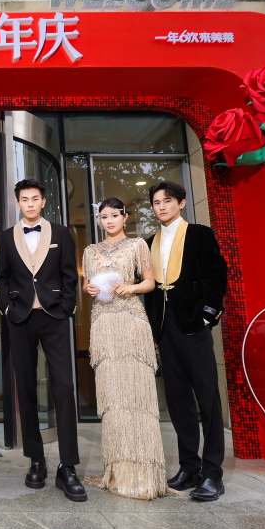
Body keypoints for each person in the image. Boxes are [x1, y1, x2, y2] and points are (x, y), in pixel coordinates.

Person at [0, 178, 84, 502]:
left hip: (54, 317)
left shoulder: (60, 233)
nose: (30, 204)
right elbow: (2, 277)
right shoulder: (6, 237)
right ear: (18, 203)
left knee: (64, 386)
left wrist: (66, 308)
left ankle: (68, 466)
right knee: (26, 388)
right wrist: (6, 307)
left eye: (35, 198)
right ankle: (36, 459)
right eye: (25, 199)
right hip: (20, 318)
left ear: (43, 202)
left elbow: (70, 275)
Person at [144, 181, 228, 502]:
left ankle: (213, 473)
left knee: (207, 400)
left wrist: (207, 316)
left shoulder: (199, 234)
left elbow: (216, 276)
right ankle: (189, 467)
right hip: (165, 331)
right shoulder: (148, 242)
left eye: (167, 201)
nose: (161, 206)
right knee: (178, 401)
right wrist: (153, 330)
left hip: (193, 326)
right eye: (156, 202)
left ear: (181, 203)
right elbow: (150, 291)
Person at [81, 197, 169, 500]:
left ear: (124, 217)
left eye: (114, 215)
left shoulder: (137, 246)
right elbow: (88, 285)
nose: (109, 221)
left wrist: (130, 287)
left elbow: (150, 282)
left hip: (131, 323)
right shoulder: (90, 251)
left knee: (137, 396)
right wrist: (89, 288)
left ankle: (143, 476)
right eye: (104, 217)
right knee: (113, 399)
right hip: (103, 324)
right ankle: (118, 473)